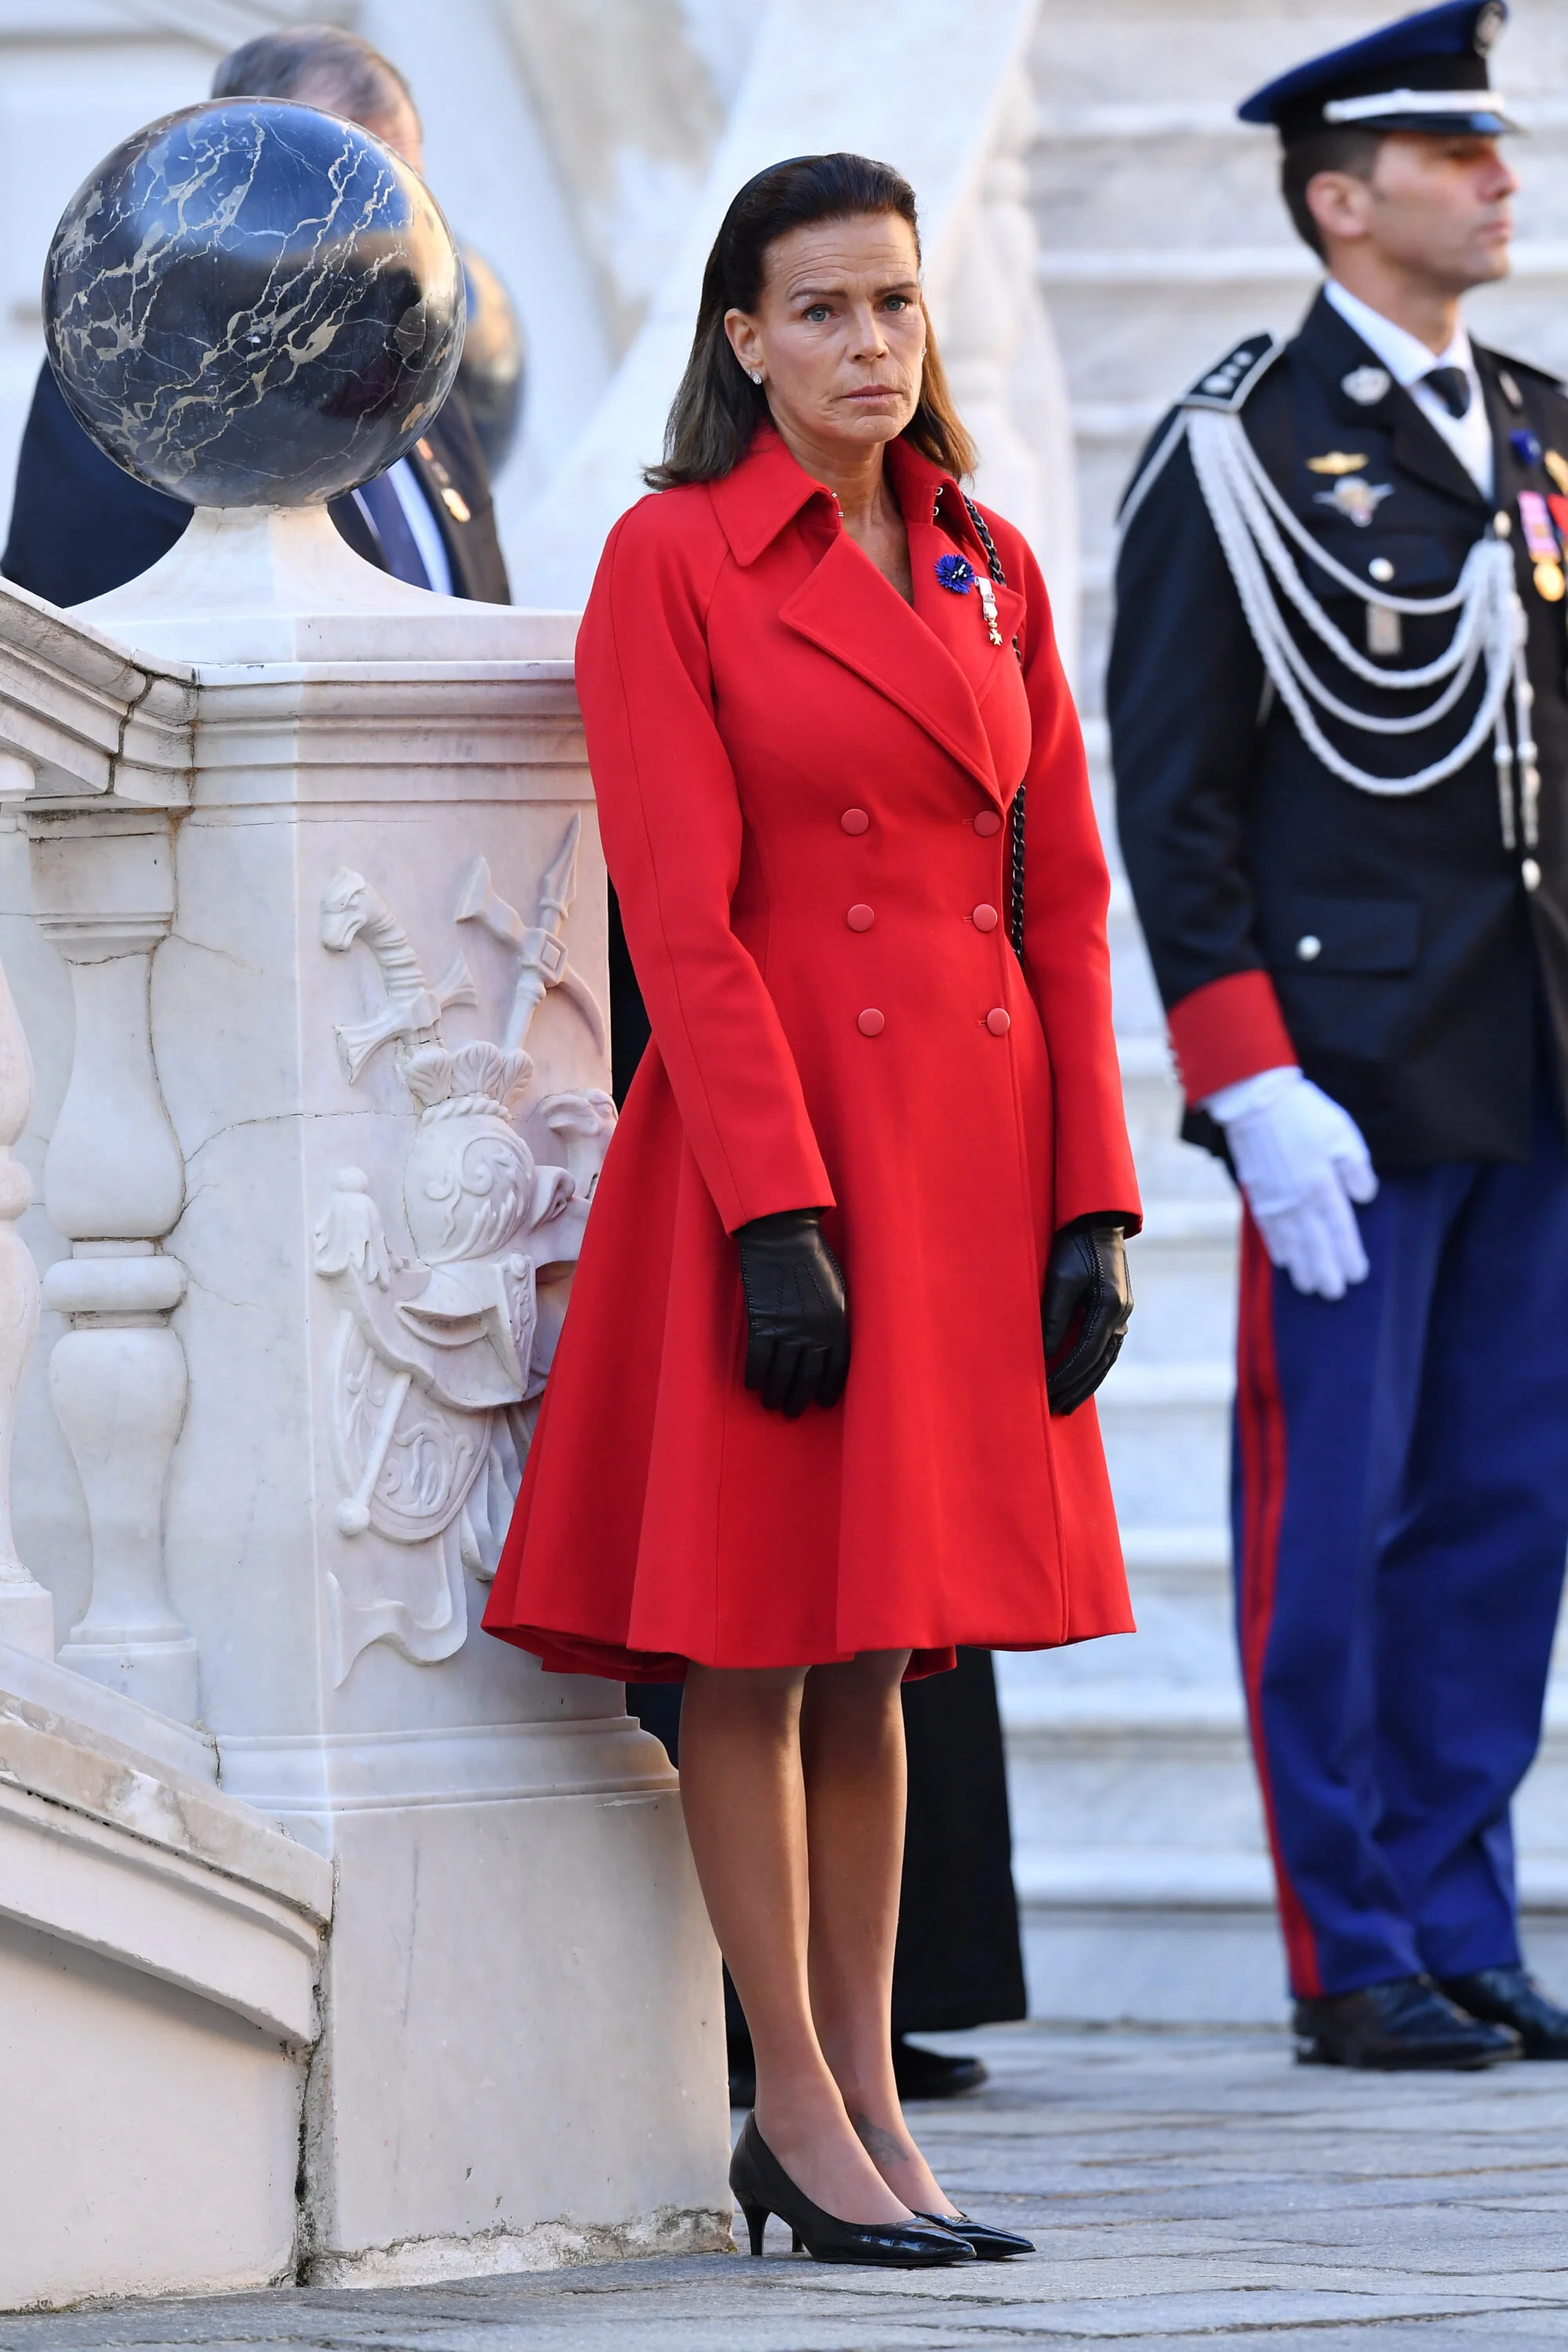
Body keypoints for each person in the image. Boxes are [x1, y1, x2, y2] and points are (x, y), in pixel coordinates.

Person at [485, 150, 1138, 2265]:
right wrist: (774, 1213)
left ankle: (870, 2099)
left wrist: (1095, 1206)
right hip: (786, 1160)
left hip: (970, 1159)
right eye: (831, 311)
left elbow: (1062, 897)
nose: (876, 346)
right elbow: (678, 911)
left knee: (881, 1658)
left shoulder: (993, 565)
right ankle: (791, 2102)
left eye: (901, 305)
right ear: (744, 339)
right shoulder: (671, 560)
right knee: (760, 1656)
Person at [1109, 0, 1568, 2071]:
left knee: (1504, 1508)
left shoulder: (1545, 429)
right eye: (1450, 147)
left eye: (1494, 141)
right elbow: (1173, 788)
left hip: (1536, 1066)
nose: (1498, 172)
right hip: (1351, 1087)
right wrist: (1242, 1069)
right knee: (1342, 1518)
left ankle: (1462, 1907)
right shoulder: (1235, 444)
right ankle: (1351, 1942)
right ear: (1337, 197)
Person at [2, 24, 508, 608]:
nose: (390, 239)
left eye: (404, 193)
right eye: (347, 198)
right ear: (245, 180)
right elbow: (100, 639)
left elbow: (485, 599)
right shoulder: (133, 379)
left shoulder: (420, 369)